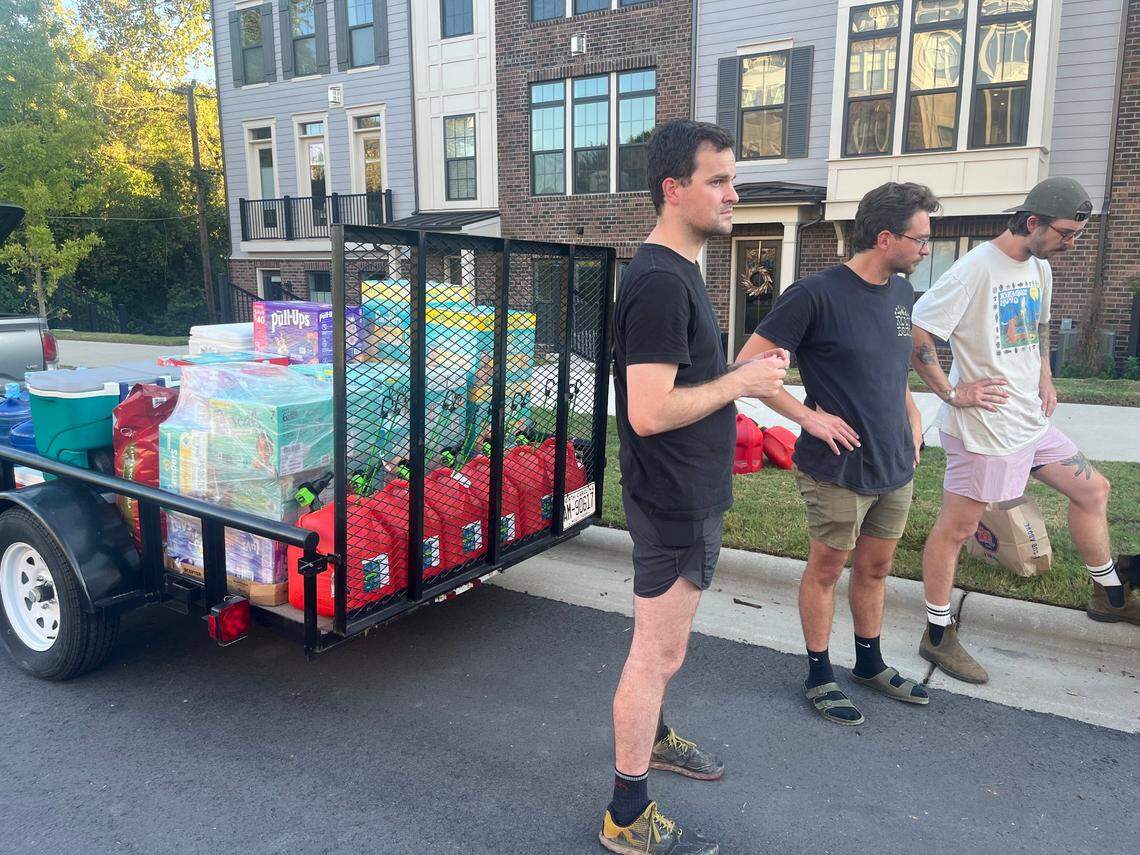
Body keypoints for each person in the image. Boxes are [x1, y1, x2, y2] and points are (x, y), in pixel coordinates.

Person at [600, 120, 788, 855]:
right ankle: (625, 811)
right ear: (673, 189)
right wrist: (738, 381)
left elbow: (678, 389)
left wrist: (734, 387)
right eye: (718, 180)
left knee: (663, 650)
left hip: (687, 490)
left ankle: (658, 735)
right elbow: (648, 411)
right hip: (672, 498)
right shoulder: (656, 281)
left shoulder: (678, 270)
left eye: (731, 178)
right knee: (657, 653)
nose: (732, 193)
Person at [909, 176, 1136, 684]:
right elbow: (918, 329)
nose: (1072, 243)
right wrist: (951, 393)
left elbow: (1036, 327)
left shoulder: (1040, 266)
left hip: (1029, 421)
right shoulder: (973, 271)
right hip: (985, 430)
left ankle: (1109, 594)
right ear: (1032, 222)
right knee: (958, 529)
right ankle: (938, 632)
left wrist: (1046, 377)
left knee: (1093, 489)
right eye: (1066, 233)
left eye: (1078, 234)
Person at [736, 182, 936, 725]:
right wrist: (807, 416)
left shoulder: (899, 293)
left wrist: (913, 417)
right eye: (919, 239)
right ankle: (819, 672)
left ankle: (868, 663)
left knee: (877, 567)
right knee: (828, 567)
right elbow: (746, 366)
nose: (926, 249)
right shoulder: (814, 294)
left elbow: (891, 369)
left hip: (894, 463)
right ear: (885, 236)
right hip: (837, 467)